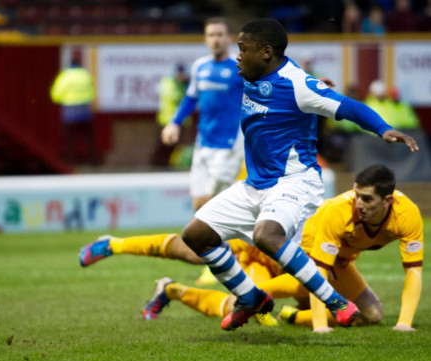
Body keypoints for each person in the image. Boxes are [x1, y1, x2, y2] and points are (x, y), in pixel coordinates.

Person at [180, 18, 418, 332]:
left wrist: (383, 128)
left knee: (267, 236)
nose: (236, 56)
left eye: (242, 49)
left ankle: (334, 300)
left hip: (295, 181)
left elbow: (348, 106)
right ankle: (251, 298)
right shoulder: (250, 74)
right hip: (256, 184)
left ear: (266, 52)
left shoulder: (298, 85)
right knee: (195, 235)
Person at [138, 165, 423, 333]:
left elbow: (414, 270)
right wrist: (320, 326)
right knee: (248, 299)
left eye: (367, 199)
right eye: (357, 195)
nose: (358, 203)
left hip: (323, 261)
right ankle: (174, 289)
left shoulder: (406, 215)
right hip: (293, 253)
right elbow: (317, 270)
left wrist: (405, 323)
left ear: (388, 201)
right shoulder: (337, 211)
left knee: (372, 315)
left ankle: (288, 313)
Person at [160, 17, 244, 212]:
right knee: (198, 206)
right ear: (205, 40)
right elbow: (191, 98)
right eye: (211, 35)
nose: (216, 39)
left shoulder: (239, 68)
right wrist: (174, 123)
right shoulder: (200, 66)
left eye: (220, 35)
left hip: (229, 145)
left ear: (229, 39)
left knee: (214, 205)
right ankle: (220, 243)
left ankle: (227, 242)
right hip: (203, 142)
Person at [50, 56, 96, 166]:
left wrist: (62, 99)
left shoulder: (65, 76)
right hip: (84, 109)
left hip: (70, 110)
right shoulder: (85, 75)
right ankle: (91, 159)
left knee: (69, 138)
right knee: (88, 137)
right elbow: (92, 90)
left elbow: (55, 94)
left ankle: (70, 160)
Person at [150, 64, 191, 167]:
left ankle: (166, 164)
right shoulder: (169, 82)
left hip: (179, 121)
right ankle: (156, 164)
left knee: (174, 145)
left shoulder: (183, 84)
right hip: (167, 120)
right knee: (163, 144)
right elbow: (176, 97)